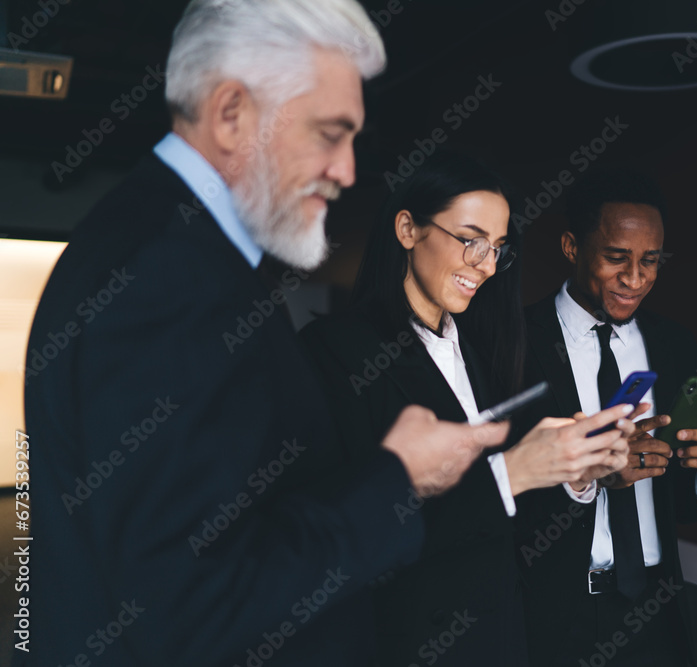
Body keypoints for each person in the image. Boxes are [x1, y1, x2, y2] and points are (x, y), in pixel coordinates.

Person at [21, 2, 510, 665]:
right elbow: (188, 607)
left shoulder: (165, 248)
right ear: (230, 114)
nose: (347, 170)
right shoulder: (169, 277)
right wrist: (398, 478)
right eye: (329, 133)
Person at [300, 152, 635, 666]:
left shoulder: (483, 360)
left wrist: (574, 472)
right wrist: (509, 474)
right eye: (470, 239)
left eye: (498, 248)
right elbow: (347, 529)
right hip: (403, 640)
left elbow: (509, 523)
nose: (486, 264)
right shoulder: (334, 352)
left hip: (496, 635)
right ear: (408, 229)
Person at [514, 169, 697, 667]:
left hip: (656, 612)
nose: (635, 278)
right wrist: (588, 479)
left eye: (650, 261)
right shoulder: (514, 344)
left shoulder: (674, 344)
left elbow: (681, 499)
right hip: (553, 615)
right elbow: (493, 500)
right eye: (617, 257)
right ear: (571, 246)